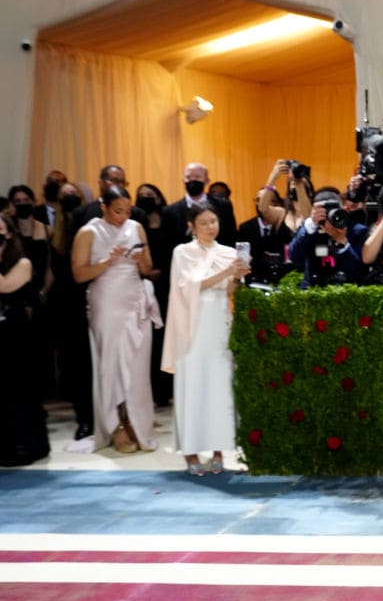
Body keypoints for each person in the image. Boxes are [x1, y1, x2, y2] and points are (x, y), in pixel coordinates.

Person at [70, 186, 162, 453]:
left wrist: (140, 260)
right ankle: (115, 424)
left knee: (137, 364)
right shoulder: (89, 231)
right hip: (106, 300)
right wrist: (106, 262)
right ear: (103, 207)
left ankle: (135, 420)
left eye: (127, 210)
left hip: (135, 298)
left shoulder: (136, 228)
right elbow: (78, 274)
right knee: (111, 362)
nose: (123, 216)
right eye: (117, 211)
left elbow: (149, 269)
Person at [161, 202, 250, 476]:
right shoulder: (182, 252)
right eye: (204, 223)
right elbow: (189, 286)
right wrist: (225, 273)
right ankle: (190, 451)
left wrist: (237, 276)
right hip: (192, 327)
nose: (211, 227)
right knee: (193, 386)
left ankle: (218, 450)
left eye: (214, 221)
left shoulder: (227, 252)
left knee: (219, 388)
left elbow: (230, 290)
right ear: (192, 226)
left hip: (219, 325)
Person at [0, 214, 51, 466]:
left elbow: (5, 286)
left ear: (8, 233)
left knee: (17, 390)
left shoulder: (22, 263)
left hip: (15, 336)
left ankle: (23, 447)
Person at [46, 182, 93, 439]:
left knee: (94, 363)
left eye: (72, 194)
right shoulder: (55, 231)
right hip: (66, 304)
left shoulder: (89, 222)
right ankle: (83, 419)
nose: (68, 198)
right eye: (64, 195)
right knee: (76, 365)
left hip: (91, 297)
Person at [136, 184, 173, 408]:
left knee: (165, 337)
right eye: (142, 197)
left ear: (159, 198)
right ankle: (146, 388)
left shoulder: (168, 219)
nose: (147, 199)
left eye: (151, 195)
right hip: (142, 284)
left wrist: (161, 271)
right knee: (145, 337)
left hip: (167, 284)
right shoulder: (135, 224)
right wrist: (147, 272)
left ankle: (164, 390)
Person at [289, 189, 368, 288]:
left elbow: (358, 273)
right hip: (313, 290)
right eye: (324, 212)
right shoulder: (310, 229)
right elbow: (294, 257)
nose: (329, 216)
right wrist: (311, 225)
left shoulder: (356, 231)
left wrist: (342, 240)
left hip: (345, 291)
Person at [162, 163, 238, 251]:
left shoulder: (224, 206)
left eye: (197, 177)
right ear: (183, 181)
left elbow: (231, 237)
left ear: (206, 180)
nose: (193, 180)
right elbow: (166, 246)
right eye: (189, 177)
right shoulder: (170, 211)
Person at [236, 187, 295, 285]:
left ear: (276, 204)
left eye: (265, 200)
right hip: (254, 281)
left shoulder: (285, 227)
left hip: (281, 281)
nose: (260, 204)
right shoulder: (245, 228)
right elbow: (242, 257)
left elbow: (289, 256)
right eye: (258, 200)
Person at [261, 158, 315, 233]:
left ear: (310, 191)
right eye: (291, 182)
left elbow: (307, 217)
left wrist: (298, 182)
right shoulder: (282, 213)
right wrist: (272, 177)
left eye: (303, 184)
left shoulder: (314, 212)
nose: (294, 183)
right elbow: (262, 208)